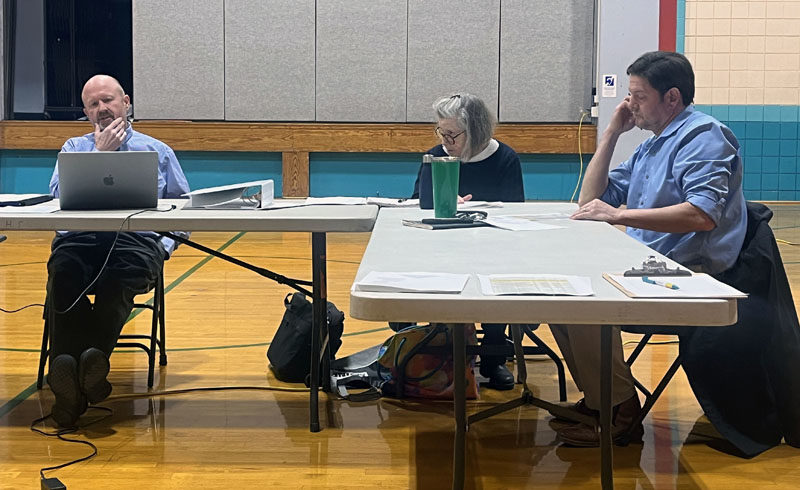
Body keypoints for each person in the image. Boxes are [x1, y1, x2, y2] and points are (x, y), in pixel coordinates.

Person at [549, 51, 746, 447]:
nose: (629, 104)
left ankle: (621, 412)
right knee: (556, 296)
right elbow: (591, 199)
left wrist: (620, 217)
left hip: (690, 274)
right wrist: (611, 134)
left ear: (671, 98)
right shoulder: (652, 144)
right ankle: (601, 399)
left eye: (638, 96)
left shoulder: (704, 137)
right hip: (647, 263)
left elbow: (701, 215)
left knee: (581, 300)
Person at [45, 74, 190, 427]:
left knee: (117, 282)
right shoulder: (74, 149)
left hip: (136, 242)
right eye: (93, 104)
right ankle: (87, 376)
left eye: (108, 100)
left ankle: (69, 387)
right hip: (79, 240)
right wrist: (99, 155)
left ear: (126, 102)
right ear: (85, 112)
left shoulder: (157, 150)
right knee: (63, 277)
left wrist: (163, 247)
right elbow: (54, 201)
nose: (102, 109)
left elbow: (184, 212)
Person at [406, 93, 525, 391]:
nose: (445, 140)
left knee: (499, 278)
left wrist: (475, 211)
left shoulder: (505, 158)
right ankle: (435, 346)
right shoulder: (436, 156)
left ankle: (494, 357)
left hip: (490, 248)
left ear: (477, 131)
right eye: (441, 132)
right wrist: (442, 203)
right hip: (441, 248)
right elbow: (414, 203)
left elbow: (516, 211)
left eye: (452, 134)